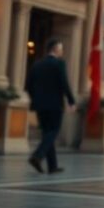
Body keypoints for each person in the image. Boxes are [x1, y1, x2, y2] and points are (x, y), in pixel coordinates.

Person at [25, 38, 76, 174]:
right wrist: (71, 101)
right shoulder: (59, 64)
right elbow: (64, 83)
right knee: (53, 131)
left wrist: (36, 98)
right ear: (56, 49)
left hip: (40, 105)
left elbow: (28, 85)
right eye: (61, 49)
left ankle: (52, 166)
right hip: (54, 105)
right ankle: (37, 156)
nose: (62, 52)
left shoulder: (37, 64)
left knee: (47, 133)